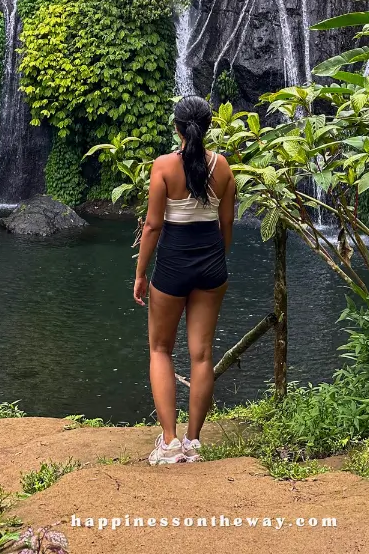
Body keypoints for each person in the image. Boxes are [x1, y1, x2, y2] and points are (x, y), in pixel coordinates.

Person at [133, 94, 236, 465]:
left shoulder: (163, 166)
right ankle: (194, 442)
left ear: (177, 127)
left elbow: (153, 226)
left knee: (160, 349)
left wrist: (141, 273)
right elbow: (226, 225)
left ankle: (169, 442)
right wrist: (215, 262)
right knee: (202, 353)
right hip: (211, 265)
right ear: (207, 127)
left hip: (173, 267)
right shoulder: (223, 167)